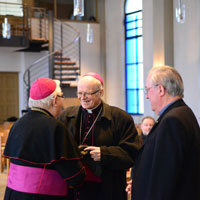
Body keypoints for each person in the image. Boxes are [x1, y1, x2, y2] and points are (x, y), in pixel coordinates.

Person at [58, 72, 140, 200]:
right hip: (74, 189)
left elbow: (132, 154)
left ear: (101, 93)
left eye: (87, 93)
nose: (82, 98)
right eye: (79, 93)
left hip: (107, 189)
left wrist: (104, 154)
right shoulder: (66, 116)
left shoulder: (120, 118)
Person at [3, 78, 85, 200]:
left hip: (14, 194)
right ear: (55, 100)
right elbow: (73, 176)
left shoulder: (18, 124)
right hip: (43, 195)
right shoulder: (55, 127)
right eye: (62, 97)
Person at [130, 66, 200, 200]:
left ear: (160, 89)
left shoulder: (172, 120)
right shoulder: (183, 112)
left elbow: (164, 178)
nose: (147, 96)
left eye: (147, 90)